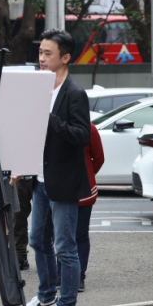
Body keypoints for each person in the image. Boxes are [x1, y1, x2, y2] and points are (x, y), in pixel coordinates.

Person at [13, 29, 90, 306]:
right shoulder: (40, 88)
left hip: (64, 181)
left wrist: (50, 118)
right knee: (36, 240)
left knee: (65, 247)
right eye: (40, 52)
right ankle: (45, 298)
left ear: (65, 58)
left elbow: (81, 135)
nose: (41, 58)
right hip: (40, 179)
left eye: (48, 54)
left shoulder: (74, 93)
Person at [57, 123, 104, 293]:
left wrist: (88, 174)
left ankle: (78, 276)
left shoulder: (89, 128)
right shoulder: (56, 125)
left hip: (83, 189)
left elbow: (98, 158)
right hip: (60, 188)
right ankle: (60, 273)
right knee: (61, 233)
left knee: (79, 234)